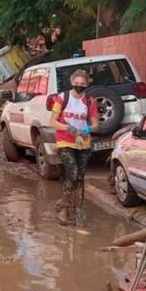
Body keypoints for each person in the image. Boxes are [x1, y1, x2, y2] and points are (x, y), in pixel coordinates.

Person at [48, 69, 99, 226]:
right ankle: (63, 208)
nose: (79, 86)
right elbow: (52, 121)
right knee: (72, 173)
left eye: (82, 84)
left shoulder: (90, 101)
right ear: (71, 82)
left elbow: (96, 124)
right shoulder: (62, 98)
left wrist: (89, 129)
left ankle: (79, 210)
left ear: (87, 85)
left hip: (83, 143)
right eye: (76, 84)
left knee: (80, 177)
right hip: (65, 141)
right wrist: (67, 128)